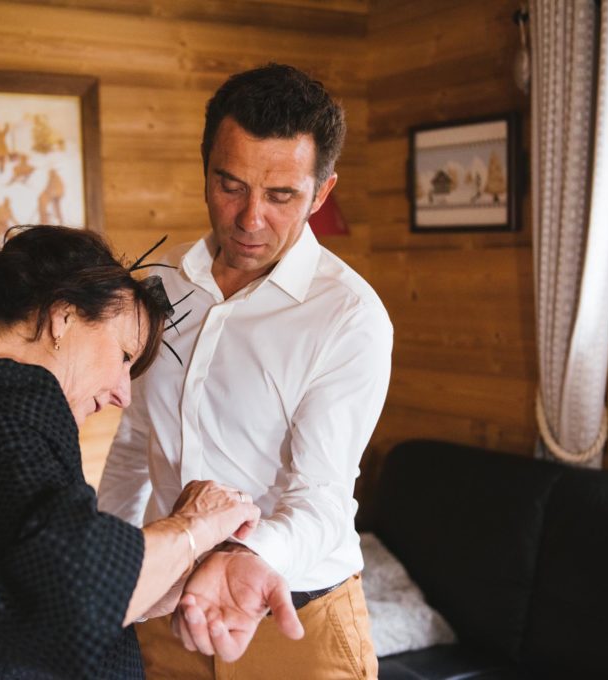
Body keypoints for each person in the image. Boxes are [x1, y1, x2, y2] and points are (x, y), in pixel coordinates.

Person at [0, 225, 301, 680]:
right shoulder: (6, 395)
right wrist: (193, 526)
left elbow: (20, 584)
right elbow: (70, 594)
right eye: (124, 356)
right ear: (63, 317)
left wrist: (172, 576)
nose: (122, 395)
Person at [98, 63, 393, 678]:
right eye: (230, 185)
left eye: (282, 195)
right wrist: (107, 576)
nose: (250, 218)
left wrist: (247, 554)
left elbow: (322, 496)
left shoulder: (350, 317)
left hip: (297, 624)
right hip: (166, 612)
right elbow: (134, 443)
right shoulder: (159, 287)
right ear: (205, 166)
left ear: (322, 191)